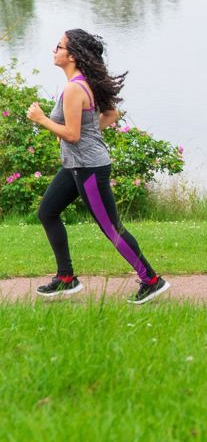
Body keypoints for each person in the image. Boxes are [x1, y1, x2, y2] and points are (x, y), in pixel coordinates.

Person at [26, 29, 170, 304]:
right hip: (76, 165)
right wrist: (88, 130)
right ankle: (66, 278)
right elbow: (110, 114)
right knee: (48, 212)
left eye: (58, 46)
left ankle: (151, 280)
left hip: (88, 168)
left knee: (111, 228)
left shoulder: (73, 88)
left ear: (72, 55)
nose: (54, 50)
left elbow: (72, 135)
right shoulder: (84, 83)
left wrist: (41, 119)